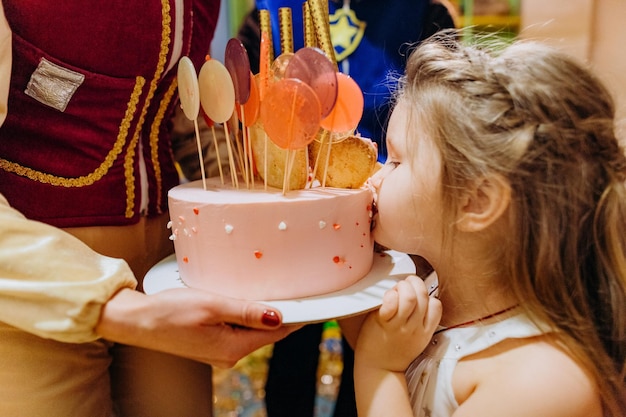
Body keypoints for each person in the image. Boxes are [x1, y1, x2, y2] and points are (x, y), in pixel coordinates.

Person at [0, 2, 296, 416]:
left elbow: (177, 114)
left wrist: (253, 211)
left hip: (170, 271)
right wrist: (121, 311)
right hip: (30, 287)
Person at [344, 31, 626, 416]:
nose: (375, 176)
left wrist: (378, 367)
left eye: (396, 160)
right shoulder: (437, 289)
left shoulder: (541, 383)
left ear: (475, 202)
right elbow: (378, 337)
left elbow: (383, 357)